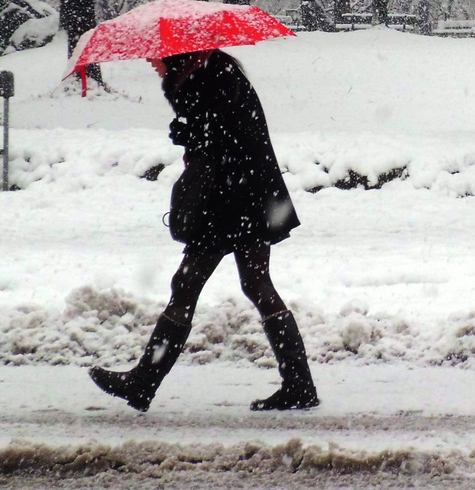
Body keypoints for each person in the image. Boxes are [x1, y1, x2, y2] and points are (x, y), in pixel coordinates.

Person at [89, 49, 318, 412]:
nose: (151, 60)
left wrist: (190, 130)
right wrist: (191, 126)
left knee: (189, 284)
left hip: (232, 196)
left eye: (157, 55)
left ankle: (144, 382)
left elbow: (222, 137)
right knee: (255, 283)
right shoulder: (212, 73)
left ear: (179, 54)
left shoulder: (213, 76)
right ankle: (299, 384)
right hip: (248, 192)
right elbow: (225, 131)